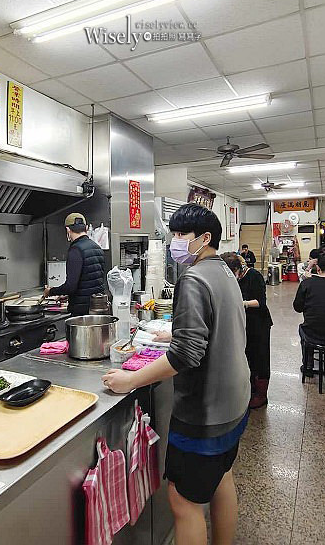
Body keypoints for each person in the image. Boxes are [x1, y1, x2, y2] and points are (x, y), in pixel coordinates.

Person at [102, 203, 250, 545]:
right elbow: (222, 323)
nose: (175, 242)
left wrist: (130, 379)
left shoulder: (194, 277)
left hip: (206, 411)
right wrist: (179, 330)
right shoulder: (224, 271)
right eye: (174, 234)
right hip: (235, 400)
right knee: (221, 477)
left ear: (205, 238)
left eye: (182, 235)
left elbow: (185, 355)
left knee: (183, 502)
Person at [221, 252, 273, 409]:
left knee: (260, 358)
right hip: (242, 322)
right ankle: (249, 390)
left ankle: (261, 395)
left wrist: (243, 303)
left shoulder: (254, 276)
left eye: (233, 273)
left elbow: (260, 302)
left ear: (238, 269)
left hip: (258, 323)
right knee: (247, 356)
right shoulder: (231, 279)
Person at [44, 213, 105, 316]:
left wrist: (50, 291)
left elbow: (70, 286)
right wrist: (69, 295)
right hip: (97, 308)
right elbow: (91, 282)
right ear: (85, 228)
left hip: (82, 313)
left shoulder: (76, 250)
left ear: (68, 230)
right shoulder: (97, 247)